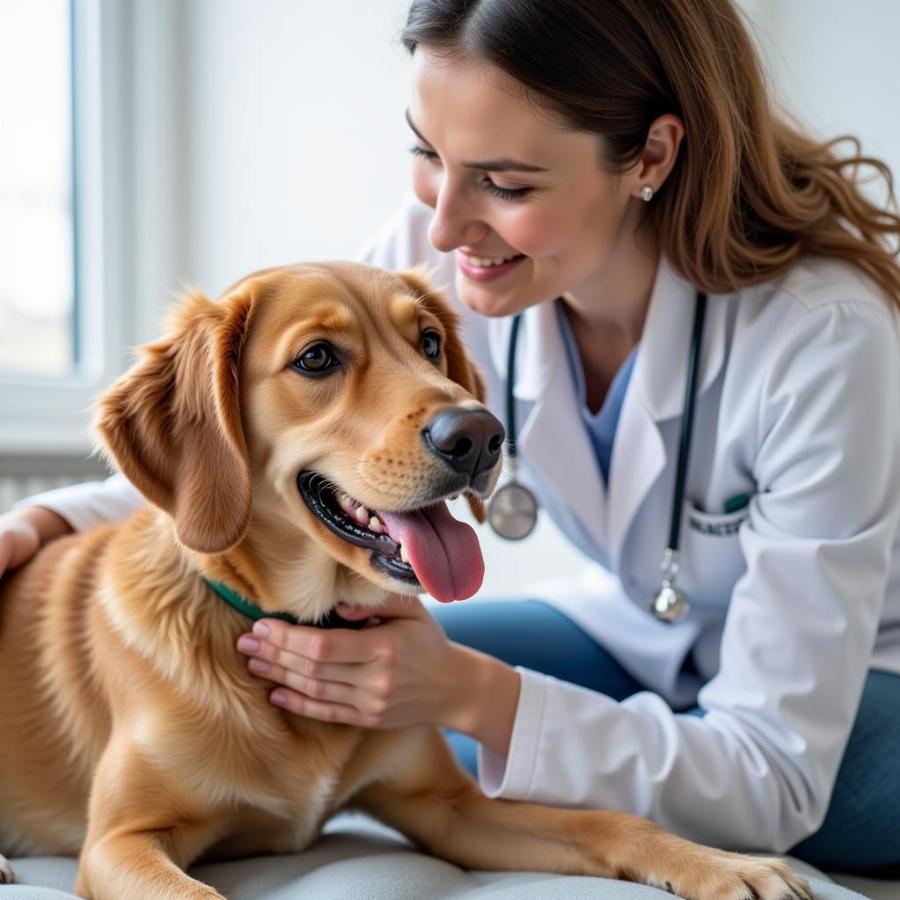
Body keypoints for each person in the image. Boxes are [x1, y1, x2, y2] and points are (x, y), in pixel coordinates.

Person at [3, 0, 900, 873]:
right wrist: (45, 522)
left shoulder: (823, 335)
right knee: (378, 685)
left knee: (821, 807)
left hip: (857, 678)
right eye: (428, 155)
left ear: (650, 156)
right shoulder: (454, 246)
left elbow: (777, 779)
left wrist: (473, 694)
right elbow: (241, 438)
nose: (441, 226)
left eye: (505, 183)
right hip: (640, 629)